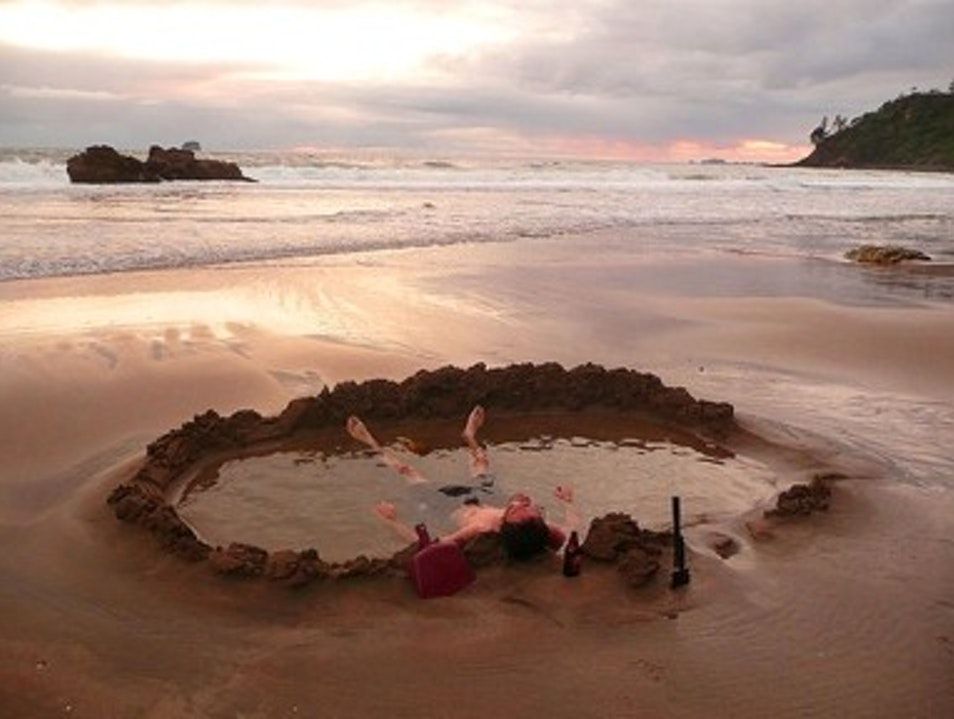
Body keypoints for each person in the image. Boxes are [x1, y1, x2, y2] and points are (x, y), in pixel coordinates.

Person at [346, 405, 579, 560]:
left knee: (408, 472)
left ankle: (370, 442)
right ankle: (470, 437)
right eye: (533, 510)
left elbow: (428, 546)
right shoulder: (536, 528)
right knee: (482, 462)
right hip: (488, 500)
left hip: (450, 505)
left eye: (519, 509)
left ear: (505, 525)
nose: (526, 503)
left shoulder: (481, 528)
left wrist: (391, 520)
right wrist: (568, 502)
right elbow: (571, 530)